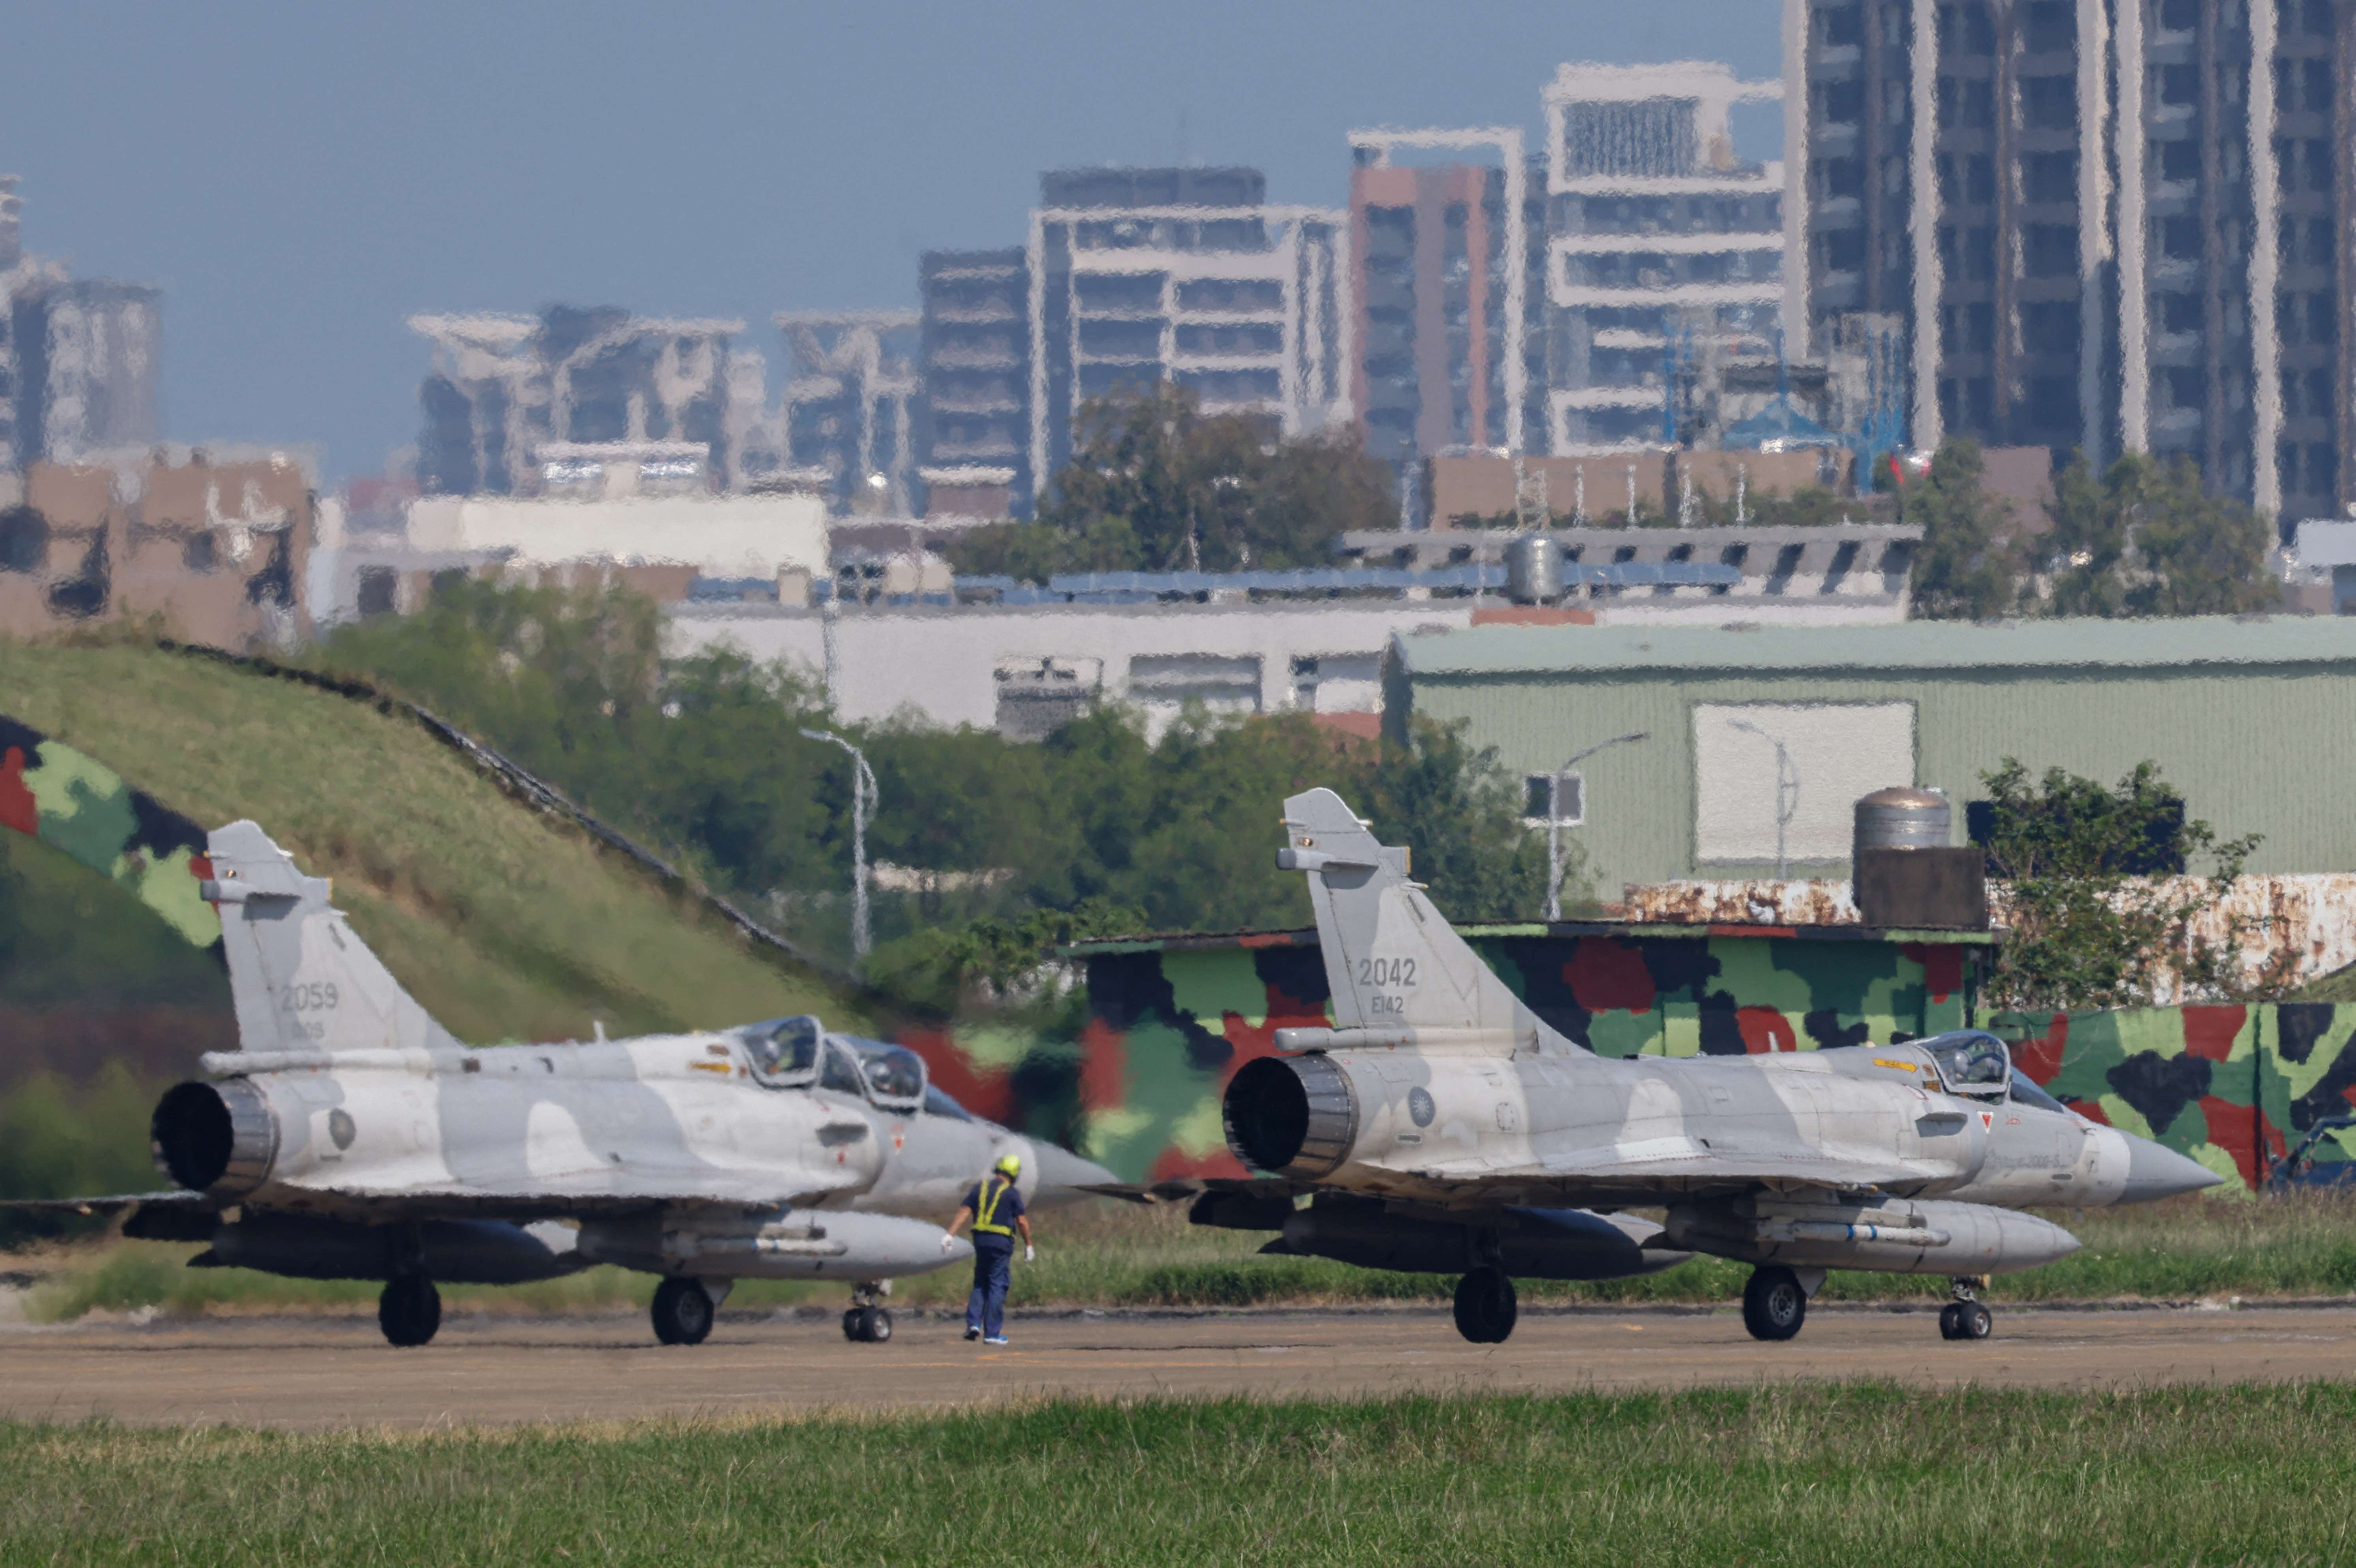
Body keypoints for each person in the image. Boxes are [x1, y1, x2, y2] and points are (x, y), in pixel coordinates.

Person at [941, 1151, 1035, 1345]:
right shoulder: (1011, 1193)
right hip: (1001, 1244)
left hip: (981, 1242)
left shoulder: (980, 1188)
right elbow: (1022, 1222)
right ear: (1014, 1174)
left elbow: (964, 1211)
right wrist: (1029, 1245)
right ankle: (992, 1333)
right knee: (997, 1285)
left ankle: (973, 1324)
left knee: (980, 1284)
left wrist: (950, 1234)